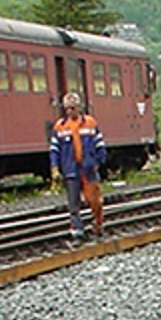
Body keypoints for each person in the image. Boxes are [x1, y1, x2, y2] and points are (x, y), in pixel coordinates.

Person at [49, 91, 108, 240]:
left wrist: (98, 162)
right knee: (73, 203)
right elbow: (54, 149)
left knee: (94, 200)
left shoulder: (90, 123)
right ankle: (77, 230)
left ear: (79, 107)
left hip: (88, 169)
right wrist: (55, 167)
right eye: (67, 108)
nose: (70, 111)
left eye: (73, 108)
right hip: (71, 170)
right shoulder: (60, 127)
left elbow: (100, 145)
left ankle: (98, 222)